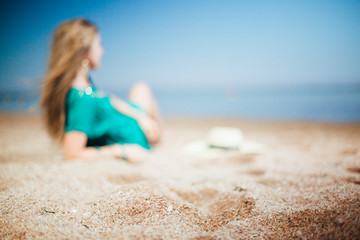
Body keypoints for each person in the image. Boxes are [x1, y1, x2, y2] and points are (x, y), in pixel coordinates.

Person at [41, 18, 161, 162]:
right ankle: (160, 138)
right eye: (98, 45)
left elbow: (107, 97)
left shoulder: (85, 86)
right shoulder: (83, 98)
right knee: (143, 89)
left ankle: (155, 129)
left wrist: (141, 117)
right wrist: (121, 150)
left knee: (141, 88)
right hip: (136, 135)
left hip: (134, 120)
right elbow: (71, 153)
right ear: (86, 52)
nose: (102, 51)